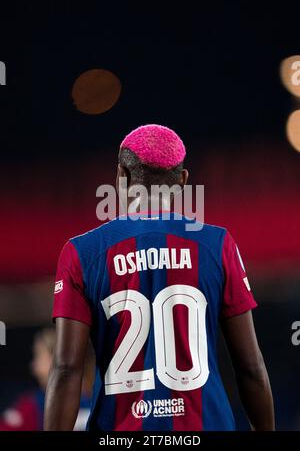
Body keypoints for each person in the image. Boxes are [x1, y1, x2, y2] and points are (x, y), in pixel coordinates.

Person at [44, 124, 274, 431]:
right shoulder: (217, 245)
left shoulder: (81, 252)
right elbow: (250, 367)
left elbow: (66, 369)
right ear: (182, 181)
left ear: (120, 176)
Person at [0, 327, 93, 431]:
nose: (33, 365)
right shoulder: (102, 398)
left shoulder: (33, 406)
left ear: (58, 358)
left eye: (39, 356)